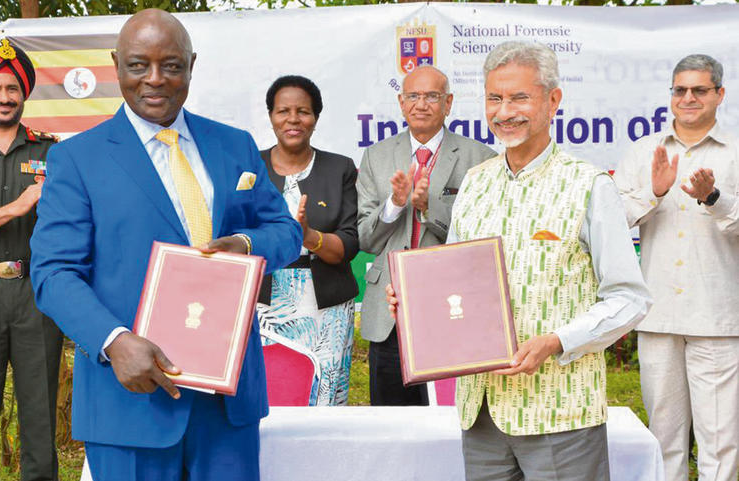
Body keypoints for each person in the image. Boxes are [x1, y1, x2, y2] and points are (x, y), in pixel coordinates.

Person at [29, 9, 301, 481]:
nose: (155, 79)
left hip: (226, 403)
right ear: (116, 65)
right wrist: (113, 342)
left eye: (171, 65)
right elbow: (53, 274)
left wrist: (245, 243)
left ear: (191, 65)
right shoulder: (76, 158)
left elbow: (285, 232)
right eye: (139, 65)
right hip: (129, 401)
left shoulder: (234, 145)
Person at [387, 41, 651, 480]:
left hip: (560, 410)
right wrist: (416, 303)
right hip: (481, 411)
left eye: (519, 98)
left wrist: (557, 341)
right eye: (494, 98)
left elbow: (629, 298)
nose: (504, 112)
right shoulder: (475, 183)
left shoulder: (588, 186)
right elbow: (453, 282)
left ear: (553, 100)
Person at [614, 54, 739, 481]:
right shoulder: (644, 151)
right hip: (659, 314)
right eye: (680, 89)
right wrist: (653, 192)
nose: (688, 98)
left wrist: (715, 198)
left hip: (717, 317)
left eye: (699, 90)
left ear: (719, 94)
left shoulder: (735, 152)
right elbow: (613, 219)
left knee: (720, 442)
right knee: (663, 438)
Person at [356, 65, 496, 406]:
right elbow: (365, 239)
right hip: (391, 310)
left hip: (452, 306)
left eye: (432, 96)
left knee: (448, 416)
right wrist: (395, 204)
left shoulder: (481, 159)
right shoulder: (376, 156)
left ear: (448, 103)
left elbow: (481, 240)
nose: (421, 104)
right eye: (413, 96)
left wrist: (428, 207)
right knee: (391, 419)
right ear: (401, 103)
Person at [0, 41, 62, 481]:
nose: (4, 97)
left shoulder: (52, 153)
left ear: (24, 94)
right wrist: (16, 207)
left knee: (40, 416)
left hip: (36, 293)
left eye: (12, 89)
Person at [257, 75, 359, 406]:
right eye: (283, 111)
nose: (293, 119)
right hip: (264, 304)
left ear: (315, 117)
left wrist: (309, 236)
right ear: (271, 116)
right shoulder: (251, 166)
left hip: (326, 307)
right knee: (270, 394)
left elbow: (349, 244)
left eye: (303, 111)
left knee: (323, 399)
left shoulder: (339, 168)